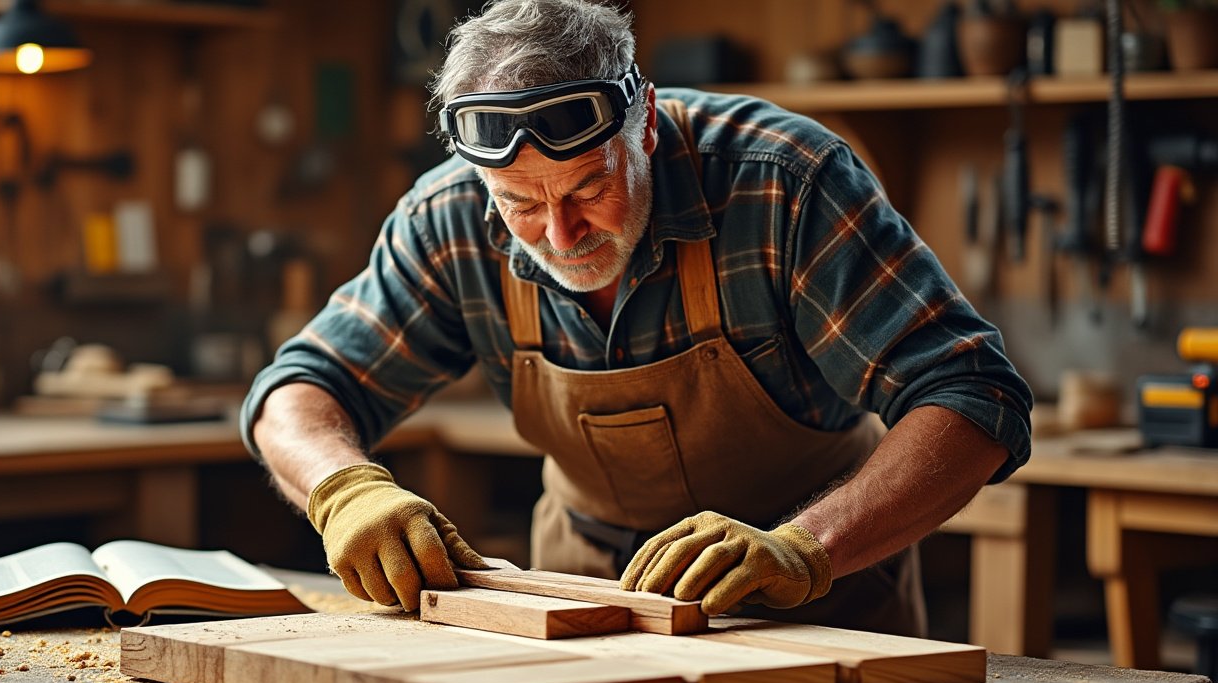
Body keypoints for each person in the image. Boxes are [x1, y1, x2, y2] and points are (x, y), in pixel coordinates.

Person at [242, 0, 1032, 637]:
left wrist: (803, 550)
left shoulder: (783, 181)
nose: (560, 234)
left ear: (645, 124)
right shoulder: (448, 215)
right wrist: (344, 488)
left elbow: (973, 395)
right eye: (520, 202)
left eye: (587, 189)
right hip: (582, 615)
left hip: (815, 613)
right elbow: (303, 388)